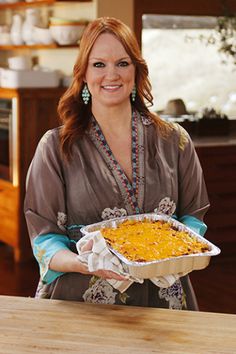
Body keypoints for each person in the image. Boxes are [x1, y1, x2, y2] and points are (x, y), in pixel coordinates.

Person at [24, 17, 210, 309]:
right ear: (83, 74)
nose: (112, 74)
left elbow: (194, 218)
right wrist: (85, 262)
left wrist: (178, 256)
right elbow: (44, 241)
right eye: (99, 64)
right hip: (82, 306)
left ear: (136, 71)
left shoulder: (175, 141)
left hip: (163, 306)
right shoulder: (55, 148)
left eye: (122, 63)